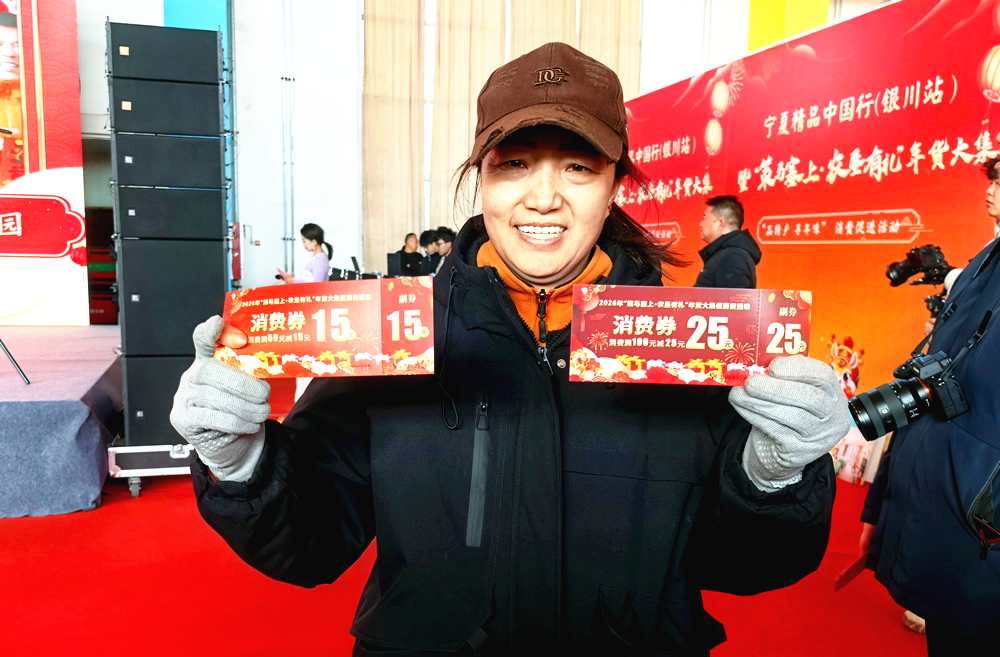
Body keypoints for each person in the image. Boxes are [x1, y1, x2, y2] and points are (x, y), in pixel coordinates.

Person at [170, 42, 848, 655]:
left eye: (578, 167)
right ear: (482, 178)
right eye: (514, 164)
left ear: (615, 185)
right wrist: (240, 458)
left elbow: (745, 565)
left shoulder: (690, 345)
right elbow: (309, 543)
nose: (543, 197)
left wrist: (773, 474)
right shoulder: (395, 334)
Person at [858, 157, 1000, 652]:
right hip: (941, 526)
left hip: (980, 539)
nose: (991, 188)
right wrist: (882, 502)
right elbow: (935, 386)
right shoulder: (985, 261)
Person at [694, 195, 760, 288]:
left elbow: (735, 296)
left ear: (721, 224)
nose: (701, 224)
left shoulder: (732, 257)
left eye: (705, 218)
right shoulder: (727, 254)